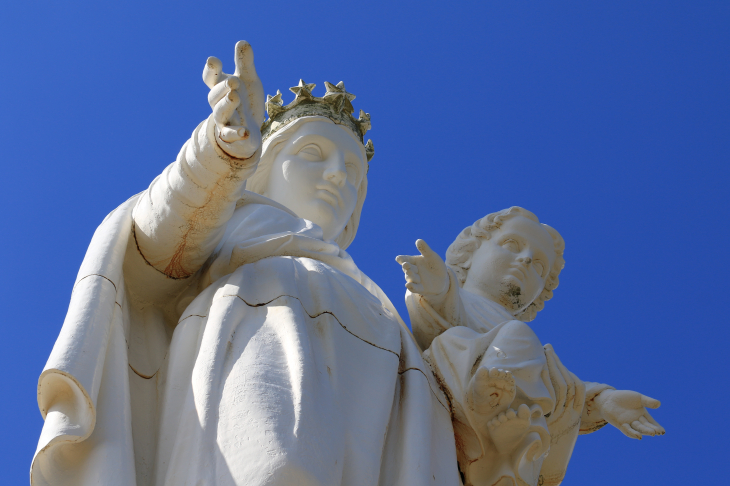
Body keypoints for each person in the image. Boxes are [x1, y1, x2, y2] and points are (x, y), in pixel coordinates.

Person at [32, 41, 460, 486]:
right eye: (314, 153)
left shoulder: (380, 306)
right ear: (265, 166)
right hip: (257, 346)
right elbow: (156, 242)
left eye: (352, 171)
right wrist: (224, 153)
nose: (337, 174)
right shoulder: (234, 224)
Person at [396, 206, 665, 486]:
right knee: (469, 339)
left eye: (538, 266)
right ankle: (491, 412)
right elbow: (437, 313)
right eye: (512, 245)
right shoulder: (455, 294)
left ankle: (502, 437)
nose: (525, 260)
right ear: (471, 250)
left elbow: (559, 388)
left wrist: (604, 401)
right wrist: (437, 288)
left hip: (512, 413)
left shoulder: (528, 344)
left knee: (530, 358)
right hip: (459, 379)